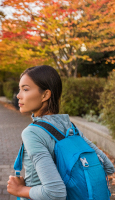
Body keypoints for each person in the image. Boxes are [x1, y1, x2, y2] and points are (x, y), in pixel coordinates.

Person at [7, 65, 115, 200]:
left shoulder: (33, 133)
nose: (18, 95)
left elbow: (55, 192)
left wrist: (20, 189)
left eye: (25, 89)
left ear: (45, 95)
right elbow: (108, 166)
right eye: (19, 89)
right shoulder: (70, 127)